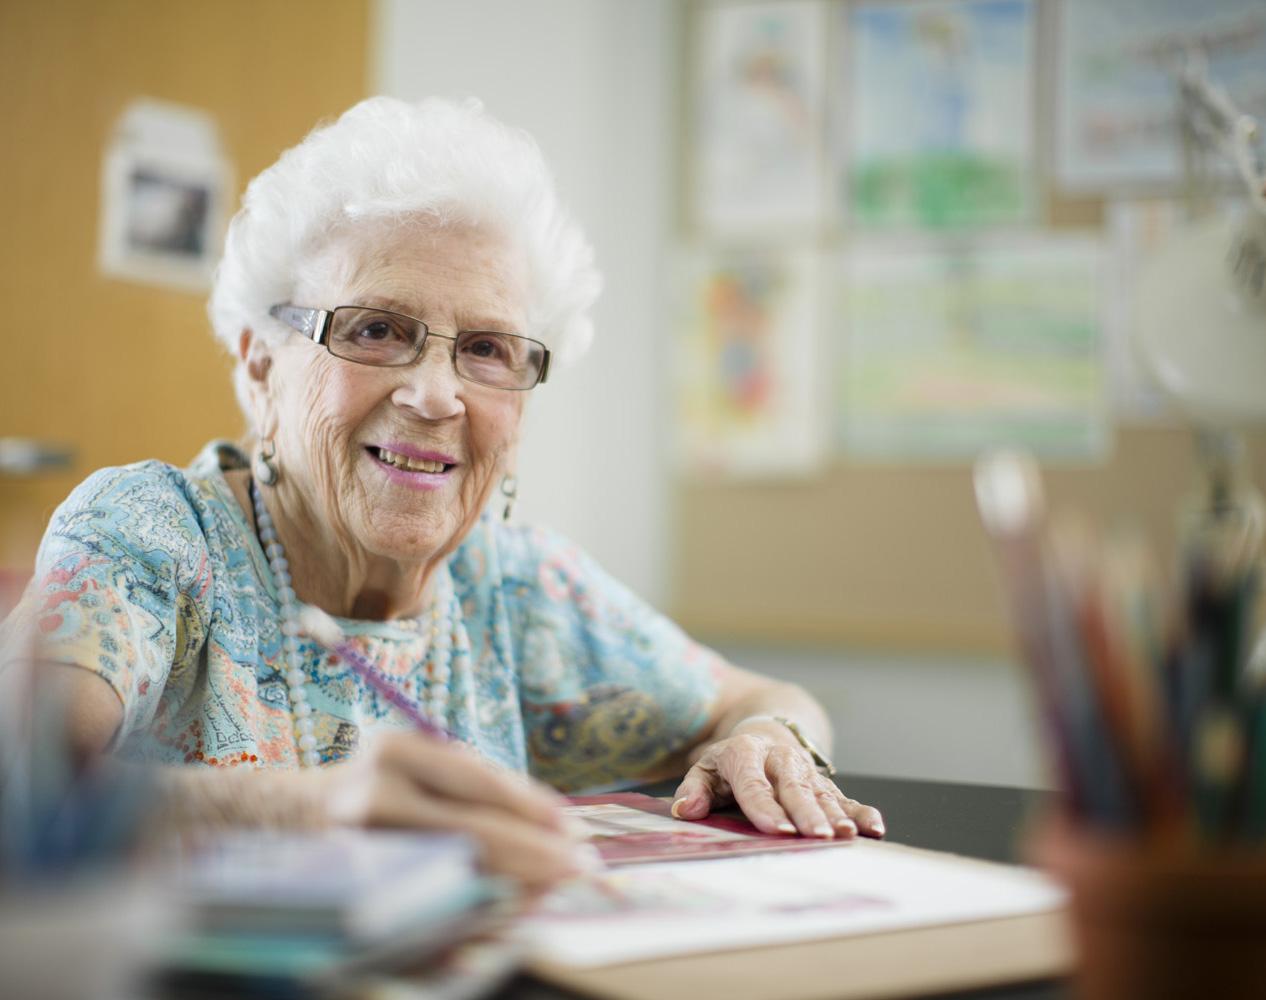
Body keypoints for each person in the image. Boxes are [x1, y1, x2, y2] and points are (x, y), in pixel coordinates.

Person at [1, 97, 883, 887]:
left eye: (489, 349)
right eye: (377, 329)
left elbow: (764, 700)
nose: (434, 395)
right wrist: (307, 812)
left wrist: (766, 744)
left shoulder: (511, 585)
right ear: (260, 363)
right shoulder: (152, 536)